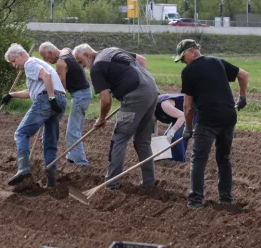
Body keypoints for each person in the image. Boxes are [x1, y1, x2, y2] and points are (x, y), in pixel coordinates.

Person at [175, 39, 250, 208]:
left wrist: (188, 128)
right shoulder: (217, 62)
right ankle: (226, 198)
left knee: (199, 159)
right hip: (229, 117)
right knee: (224, 158)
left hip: (208, 120)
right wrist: (243, 97)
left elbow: (188, 106)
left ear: (191, 51)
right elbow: (244, 75)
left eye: (182, 58)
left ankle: (195, 200)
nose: (182, 61)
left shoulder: (189, 71)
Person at [74, 44, 159, 189]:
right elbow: (142, 60)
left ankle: (111, 184)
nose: (81, 66)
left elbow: (106, 100)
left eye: (80, 61)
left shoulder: (96, 67)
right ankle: (148, 182)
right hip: (152, 89)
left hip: (136, 95)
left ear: (87, 55)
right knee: (142, 141)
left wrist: (101, 119)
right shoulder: (112, 50)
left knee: (119, 138)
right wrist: (139, 87)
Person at [2, 43, 67, 188]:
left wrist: (50, 98)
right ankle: (51, 184)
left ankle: (23, 169)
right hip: (61, 100)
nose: (14, 65)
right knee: (49, 144)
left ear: (21, 55)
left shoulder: (30, 63)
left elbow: (46, 76)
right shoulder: (38, 63)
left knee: (21, 133)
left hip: (48, 100)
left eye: (13, 61)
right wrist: (11, 95)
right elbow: (33, 92)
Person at [59, 46, 92, 166]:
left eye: (47, 57)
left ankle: (81, 162)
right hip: (84, 94)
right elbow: (67, 49)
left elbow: (61, 86)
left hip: (80, 96)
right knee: (75, 128)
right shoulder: (67, 52)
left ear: (51, 52)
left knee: (72, 131)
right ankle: (72, 156)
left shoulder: (61, 60)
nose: (48, 60)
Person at [155, 93, 191, 162]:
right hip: (178, 116)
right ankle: (169, 160)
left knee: (176, 136)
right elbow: (153, 134)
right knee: (166, 138)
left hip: (189, 112)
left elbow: (182, 116)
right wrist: (155, 146)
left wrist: (172, 131)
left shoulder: (163, 104)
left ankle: (179, 163)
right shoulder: (149, 114)